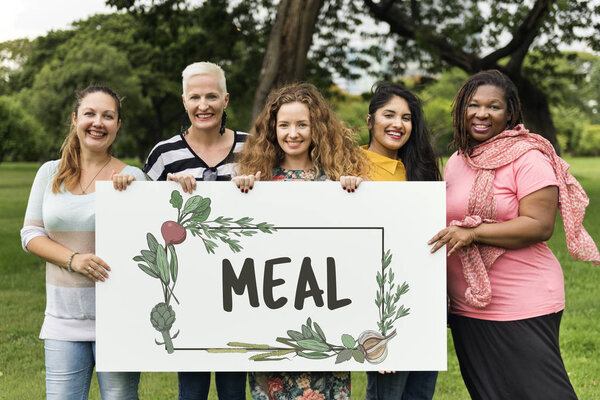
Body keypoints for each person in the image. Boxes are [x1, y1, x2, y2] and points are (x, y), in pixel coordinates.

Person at [428, 70, 600, 400]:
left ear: (510, 113)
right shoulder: (457, 160)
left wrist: (475, 233)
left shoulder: (529, 158)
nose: (481, 113)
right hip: (469, 305)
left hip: (522, 300)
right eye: (473, 105)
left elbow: (539, 224)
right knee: (490, 393)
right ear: (461, 109)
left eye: (493, 106)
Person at [233, 82, 369, 399]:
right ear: (272, 129)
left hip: (326, 319)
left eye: (301, 124)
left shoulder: (335, 183)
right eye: (284, 125)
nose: (292, 133)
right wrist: (239, 194)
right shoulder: (258, 183)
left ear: (315, 129)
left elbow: (355, 247)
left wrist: (353, 191)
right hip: (273, 318)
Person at [20, 85, 144, 399]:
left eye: (108, 116)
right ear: (75, 119)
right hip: (62, 319)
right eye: (90, 114)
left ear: (118, 125)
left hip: (118, 320)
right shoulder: (50, 173)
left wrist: (132, 197)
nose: (98, 122)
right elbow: (31, 235)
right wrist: (73, 258)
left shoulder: (133, 178)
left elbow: (146, 245)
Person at [142, 61, 248, 400]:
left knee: (234, 387)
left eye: (212, 96)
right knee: (192, 389)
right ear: (184, 101)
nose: (204, 105)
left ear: (226, 100)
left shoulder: (253, 148)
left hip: (242, 285)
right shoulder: (164, 154)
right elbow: (143, 219)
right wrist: (165, 191)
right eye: (195, 97)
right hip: (186, 288)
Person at [362, 82, 441, 400]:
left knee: (419, 394)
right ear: (370, 121)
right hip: (378, 304)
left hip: (423, 302)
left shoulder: (421, 171)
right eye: (389, 114)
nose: (397, 124)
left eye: (406, 118)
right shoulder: (349, 167)